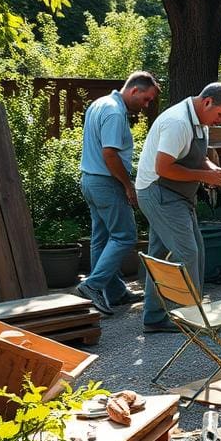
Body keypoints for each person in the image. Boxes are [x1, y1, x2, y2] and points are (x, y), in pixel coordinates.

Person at [135, 82, 221, 333]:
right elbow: (164, 168)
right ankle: (192, 319)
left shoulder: (201, 122)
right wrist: (204, 177)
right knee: (188, 253)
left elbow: (198, 158)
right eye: (220, 115)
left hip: (175, 195)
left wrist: (212, 170)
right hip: (158, 191)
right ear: (207, 102)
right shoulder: (178, 122)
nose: (220, 121)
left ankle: (154, 317)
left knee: (168, 254)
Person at [76, 71, 161, 316]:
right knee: (124, 236)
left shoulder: (99, 103)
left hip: (90, 181)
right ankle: (93, 286)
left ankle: (113, 292)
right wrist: (128, 184)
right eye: (146, 99)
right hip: (107, 183)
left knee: (101, 238)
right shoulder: (114, 112)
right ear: (134, 90)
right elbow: (110, 154)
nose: (146, 106)